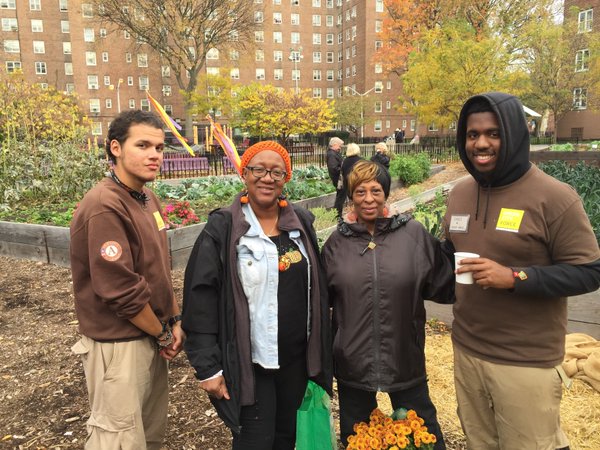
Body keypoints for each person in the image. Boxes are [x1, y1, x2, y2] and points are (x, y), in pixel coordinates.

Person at [444, 92, 600, 450]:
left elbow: (590, 272)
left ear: (514, 135)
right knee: (479, 443)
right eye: (472, 134)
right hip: (467, 350)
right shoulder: (460, 193)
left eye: (493, 133)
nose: (481, 143)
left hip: (524, 361)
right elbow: (447, 254)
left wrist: (515, 278)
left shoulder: (554, 197)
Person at [182, 140, 332, 450]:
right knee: (255, 441)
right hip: (251, 363)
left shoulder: (300, 224)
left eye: (277, 172)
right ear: (244, 174)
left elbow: (317, 286)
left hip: (296, 362)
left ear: (285, 178)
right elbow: (200, 299)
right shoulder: (224, 227)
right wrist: (208, 367)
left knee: (288, 438)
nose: (267, 178)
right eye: (259, 169)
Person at [70, 110, 185, 450]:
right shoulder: (105, 205)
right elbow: (120, 292)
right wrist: (163, 333)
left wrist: (174, 318)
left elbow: (159, 269)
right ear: (116, 148)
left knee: (147, 436)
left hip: (150, 334)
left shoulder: (147, 197)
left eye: (160, 148)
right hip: (119, 345)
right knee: (117, 440)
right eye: (143, 145)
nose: (155, 155)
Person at [322, 160, 454, 449]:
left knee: (424, 436)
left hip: (404, 356)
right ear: (351, 197)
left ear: (386, 193)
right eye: (360, 192)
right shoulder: (335, 244)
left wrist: (462, 249)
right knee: (358, 439)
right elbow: (321, 301)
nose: (368, 199)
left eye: (375, 190)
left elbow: (445, 282)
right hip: (353, 361)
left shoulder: (413, 235)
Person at [326, 136, 345, 219]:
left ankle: (337, 214)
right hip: (338, 179)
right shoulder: (332, 154)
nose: (340, 147)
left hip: (339, 178)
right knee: (340, 197)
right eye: (339, 145)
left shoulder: (334, 153)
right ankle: (337, 215)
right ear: (334, 145)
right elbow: (333, 168)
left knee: (340, 196)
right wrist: (343, 169)